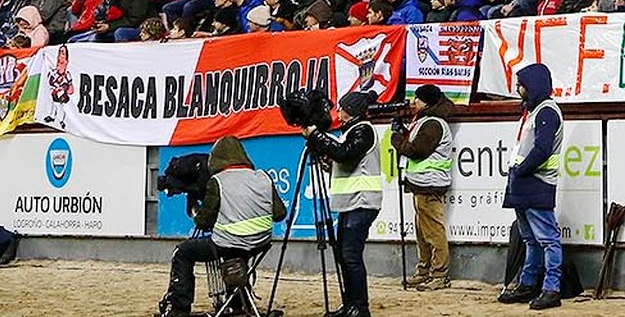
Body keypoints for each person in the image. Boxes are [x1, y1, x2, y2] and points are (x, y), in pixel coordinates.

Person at [162, 136, 287, 317]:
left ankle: (179, 308)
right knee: (236, 250)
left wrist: (197, 211)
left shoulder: (218, 181)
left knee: (182, 252)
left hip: (230, 242)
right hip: (260, 243)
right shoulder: (263, 177)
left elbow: (204, 222)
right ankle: (238, 304)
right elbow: (280, 214)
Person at [302, 91, 382, 317]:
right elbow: (343, 160)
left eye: (342, 108)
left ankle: (360, 308)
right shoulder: (352, 131)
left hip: (362, 201)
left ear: (351, 111)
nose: (337, 111)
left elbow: (344, 153)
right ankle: (350, 304)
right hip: (350, 203)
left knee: (350, 256)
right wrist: (325, 155)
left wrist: (316, 136)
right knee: (345, 256)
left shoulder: (363, 130)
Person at [501, 63, 565, 310]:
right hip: (524, 184)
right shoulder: (534, 111)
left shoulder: (546, 112)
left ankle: (551, 289)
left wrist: (521, 170)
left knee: (547, 239)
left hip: (536, 183)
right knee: (531, 239)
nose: (519, 90)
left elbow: (542, 150)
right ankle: (528, 284)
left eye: (521, 85)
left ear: (533, 86)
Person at [396, 85, 459, 290]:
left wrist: (397, 139)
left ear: (427, 101)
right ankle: (425, 270)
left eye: (418, 98)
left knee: (433, 231)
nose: (414, 102)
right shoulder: (426, 121)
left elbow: (417, 150)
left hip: (430, 183)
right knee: (423, 232)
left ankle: (439, 274)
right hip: (422, 183)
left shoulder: (433, 123)